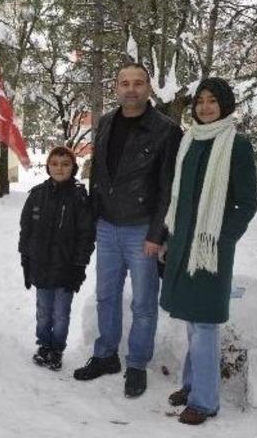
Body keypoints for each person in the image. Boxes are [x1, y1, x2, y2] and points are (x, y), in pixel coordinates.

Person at [73, 63, 182, 398]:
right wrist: (94, 218)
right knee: (106, 296)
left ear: (148, 87)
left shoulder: (166, 130)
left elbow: (168, 189)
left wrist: (156, 234)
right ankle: (106, 355)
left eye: (138, 83)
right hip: (106, 225)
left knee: (144, 303)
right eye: (124, 83)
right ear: (116, 87)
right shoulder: (105, 122)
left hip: (141, 230)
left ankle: (136, 363)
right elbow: (98, 176)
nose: (131, 89)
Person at [160, 77, 257, 425]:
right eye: (200, 100)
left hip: (210, 248)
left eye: (212, 100)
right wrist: (172, 238)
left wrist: (222, 238)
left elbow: (246, 204)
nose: (204, 106)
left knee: (205, 324)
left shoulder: (238, 146)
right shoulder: (190, 140)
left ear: (225, 105)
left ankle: (205, 401)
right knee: (191, 320)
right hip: (184, 243)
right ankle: (192, 385)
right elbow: (178, 197)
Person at [19, 146, 95, 371]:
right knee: (43, 310)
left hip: (66, 268)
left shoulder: (80, 197)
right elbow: (26, 230)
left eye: (65, 164)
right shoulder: (37, 195)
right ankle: (44, 344)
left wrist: (79, 266)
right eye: (54, 164)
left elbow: (85, 235)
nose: (59, 168)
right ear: (47, 166)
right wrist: (26, 259)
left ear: (73, 167)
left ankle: (57, 349)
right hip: (41, 265)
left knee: (61, 313)